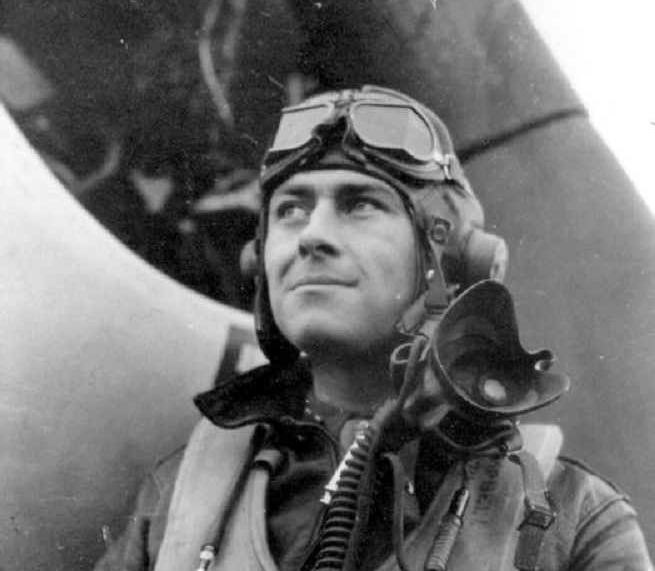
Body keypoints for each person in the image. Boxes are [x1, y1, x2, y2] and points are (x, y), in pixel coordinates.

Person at [94, 86, 652, 571]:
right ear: (259, 258)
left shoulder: (571, 516)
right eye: (291, 210)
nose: (312, 236)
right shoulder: (180, 493)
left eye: (358, 204)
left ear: (451, 262)